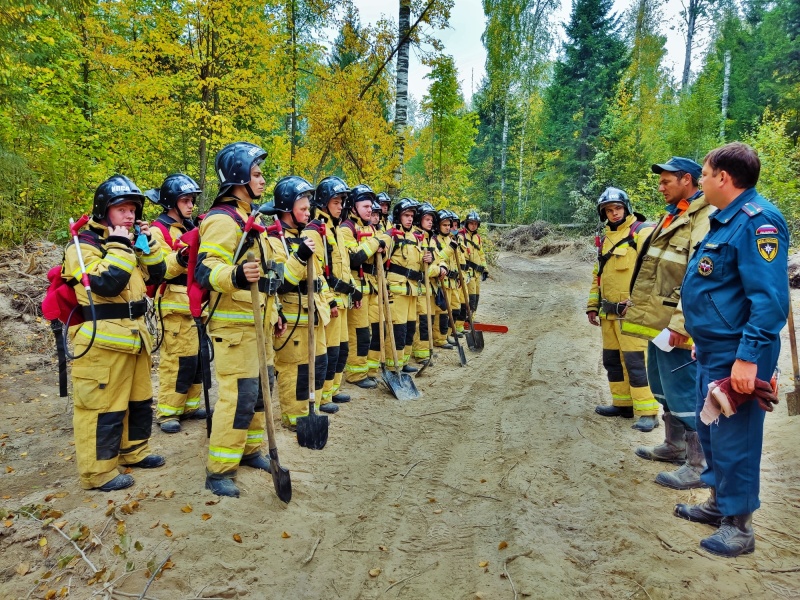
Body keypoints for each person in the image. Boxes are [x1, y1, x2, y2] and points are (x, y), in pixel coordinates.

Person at [674, 142, 788, 557]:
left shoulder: (760, 223)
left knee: (734, 438)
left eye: (704, 174)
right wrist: (703, 340)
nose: (700, 181)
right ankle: (720, 504)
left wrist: (747, 358)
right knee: (711, 432)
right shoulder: (726, 221)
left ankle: (739, 527)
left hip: (737, 353)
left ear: (723, 177)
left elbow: (770, 301)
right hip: (714, 349)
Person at [64, 174, 166, 491]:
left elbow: (158, 275)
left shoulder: (124, 243)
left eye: (133, 209)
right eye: (122, 208)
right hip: (102, 344)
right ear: (103, 210)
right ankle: (98, 473)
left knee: (139, 402)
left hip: (134, 339)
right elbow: (108, 283)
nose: (130, 215)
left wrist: (146, 246)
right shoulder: (82, 247)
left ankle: (133, 452)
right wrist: (121, 245)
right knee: (102, 410)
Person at [196, 142, 281, 497]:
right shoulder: (220, 220)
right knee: (238, 395)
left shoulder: (252, 218)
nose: (263, 179)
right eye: (257, 173)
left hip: (257, 324)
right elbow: (206, 269)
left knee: (261, 392)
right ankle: (219, 469)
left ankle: (249, 451)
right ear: (238, 177)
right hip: (233, 329)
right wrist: (234, 274)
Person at [623, 157, 715, 482]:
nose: (660, 187)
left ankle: (697, 463)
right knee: (663, 387)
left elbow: (699, 277)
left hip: (677, 325)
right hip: (658, 321)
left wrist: (681, 323)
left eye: (666, 182)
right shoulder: (674, 215)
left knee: (685, 391)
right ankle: (673, 445)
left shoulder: (703, 217)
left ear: (687, 179)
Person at [586, 187, 659, 430]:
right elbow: (599, 275)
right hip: (608, 313)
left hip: (632, 313)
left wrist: (639, 302)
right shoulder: (606, 239)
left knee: (637, 361)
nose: (614, 213)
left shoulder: (642, 231)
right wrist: (592, 306)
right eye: (608, 210)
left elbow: (655, 270)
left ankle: (648, 411)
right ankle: (622, 403)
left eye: (617, 208)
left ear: (626, 207)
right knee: (613, 360)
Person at [145, 174, 208, 433]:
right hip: (172, 303)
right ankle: (168, 411)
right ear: (171, 201)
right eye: (185, 200)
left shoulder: (187, 226)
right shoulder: (156, 230)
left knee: (196, 360)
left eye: (192, 200)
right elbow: (159, 269)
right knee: (177, 360)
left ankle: (190, 406)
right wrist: (182, 255)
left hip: (194, 303)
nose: (191, 205)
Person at [266, 176, 331, 425]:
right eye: (302, 209)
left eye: (308, 208)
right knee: (295, 370)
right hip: (293, 316)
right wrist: (300, 255)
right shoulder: (273, 241)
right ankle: (295, 417)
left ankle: (309, 410)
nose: (308, 213)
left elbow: (319, 275)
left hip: (315, 313)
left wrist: (329, 302)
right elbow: (282, 282)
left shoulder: (306, 236)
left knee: (318, 364)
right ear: (286, 209)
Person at [312, 176, 362, 408]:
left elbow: (343, 266)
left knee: (341, 350)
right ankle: (321, 396)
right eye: (336, 201)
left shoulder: (335, 229)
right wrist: (330, 301)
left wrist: (354, 291)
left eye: (342, 201)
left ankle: (332, 391)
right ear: (323, 202)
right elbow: (319, 272)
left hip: (343, 300)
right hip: (330, 302)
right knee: (329, 353)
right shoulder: (317, 231)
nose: (340, 206)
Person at [339, 185, 391, 387]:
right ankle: (356, 374)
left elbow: (383, 254)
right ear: (353, 206)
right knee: (359, 333)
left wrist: (382, 244)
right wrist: (375, 243)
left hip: (374, 286)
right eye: (366, 206)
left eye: (371, 206)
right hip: (358, 287)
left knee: (379, 329)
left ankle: (371, 369)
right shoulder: (346, 229)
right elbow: (354, 258)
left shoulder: (371, 228)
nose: (371, 210)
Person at [385, 198, 424, 372]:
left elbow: (419, 264)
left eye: (411, 216)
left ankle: (404, 362)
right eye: (405, 215)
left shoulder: (415, 237)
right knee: (397, 330)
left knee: (409, 329)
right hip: (396, 291)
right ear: (398, 216)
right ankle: (393, 365)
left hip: (412, 291)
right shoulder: (391, 235)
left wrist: (426, 261)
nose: (409, 219)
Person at [430, 209, 461, 349]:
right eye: (445, 225)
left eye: (449, 225)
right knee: (441, 312)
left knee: (452, 310)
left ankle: (446, 335)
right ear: (438, 226)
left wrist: (461, 275)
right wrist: (450, 248)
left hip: (452, 281)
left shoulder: (451, 238)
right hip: (441, 281)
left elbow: (456, 260)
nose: (448, 227)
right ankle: (439, 339)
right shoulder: (434, 240)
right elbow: (439, 257)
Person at [411, 202, 437, 364]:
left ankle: (426, 351)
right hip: (418, 286)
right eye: (426, 219)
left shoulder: (428, 238)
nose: (430, 222)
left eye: (431, 220)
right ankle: (421, 354)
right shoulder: (415, 237)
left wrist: (437, 266)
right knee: (420, 322)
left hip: (428, 286)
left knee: (427, 320)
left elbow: (437, 261)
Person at [461, 210, 488, 316]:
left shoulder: (478, 238)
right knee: (469, 298)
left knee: (476, 297)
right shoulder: (461, 236)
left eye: (475, 224)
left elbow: (481, 255)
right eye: (471, 223)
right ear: (467, 223)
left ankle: (472, 317)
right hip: (467, 272)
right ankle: (466, 318)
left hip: (477, 273)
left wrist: (485, 269)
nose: (473, 226)